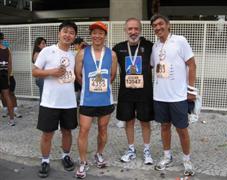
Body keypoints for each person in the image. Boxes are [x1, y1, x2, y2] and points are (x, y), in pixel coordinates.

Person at [150, 14, 196, 176]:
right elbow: (152, 67)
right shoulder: (155, 46)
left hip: (178, 96)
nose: (158, 27)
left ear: (168, 25)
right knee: (164, 127)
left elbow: (192, 64)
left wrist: (191, 90)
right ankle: (167, 156)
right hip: (160, 96)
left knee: (182, 129)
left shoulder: (180, 41)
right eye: (154, 25)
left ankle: (187, 160)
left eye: (160, 24)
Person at [32, 21, 78, 178]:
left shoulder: (74, 56)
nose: (68, 35)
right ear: (59, 33)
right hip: (49, 102)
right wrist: (51, 72)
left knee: (67, 131)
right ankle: (45, 160)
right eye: (65, 31)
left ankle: (65, 155)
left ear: (75, 36)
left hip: (69, 102)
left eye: (71, 32)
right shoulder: (47, 51)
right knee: (47, 134)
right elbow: (35, 71)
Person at [75, 21, 117, 179]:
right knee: (84, 130)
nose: (97, 35)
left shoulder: (112, 54)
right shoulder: (82, 53)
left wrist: (101, 87)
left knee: (103, 129)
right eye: (94, 33)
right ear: (91, 35)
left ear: (105, 36)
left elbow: (112, 76)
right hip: (87, 99)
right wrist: (88, 87)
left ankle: (99, 154)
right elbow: (78, 75)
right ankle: (83, 161)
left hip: (105, 100)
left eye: (100, 33)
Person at [112, 18, 154, 165]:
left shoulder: (149, 46)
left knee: (145, 122)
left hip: (145, 92)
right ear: (125, 30)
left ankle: (147, 149)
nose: (133, 32)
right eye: (130, 29)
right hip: (126, 93)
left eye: (136, 29)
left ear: (140, 30)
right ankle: (131, 149)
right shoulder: (118, 48)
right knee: (128, 121)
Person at [1, 39, 22, 118]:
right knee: (2, 95)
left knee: (11, 93)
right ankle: (6, 109)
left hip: (9, 75)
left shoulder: (5, 44)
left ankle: (15, 110)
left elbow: (9, 60)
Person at [0, 32, 15, 126]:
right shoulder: (7, 49)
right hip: (4, 74)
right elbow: (10, 65)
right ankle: (12, 119)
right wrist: (9, 77)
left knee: (6, 96)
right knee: (7, 96)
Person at [72, 37, 87, 104]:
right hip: (75, 74)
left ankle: (81, 102)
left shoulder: (85, 52)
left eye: (75, 44)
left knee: (82, 89)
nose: (74, 46)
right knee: (75, 89)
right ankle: (75, 102)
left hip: (83, 74)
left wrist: (84, 44)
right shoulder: (74, 52)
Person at [32, 37, 47, 101]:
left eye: (45, 43)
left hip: (41, 77)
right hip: (41, 78)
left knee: (44, 95)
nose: (45, 45)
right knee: (43, 96)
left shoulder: (40, 53)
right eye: (43, 43)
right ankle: (42, 110)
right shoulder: (38, 54)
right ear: (38, 45)